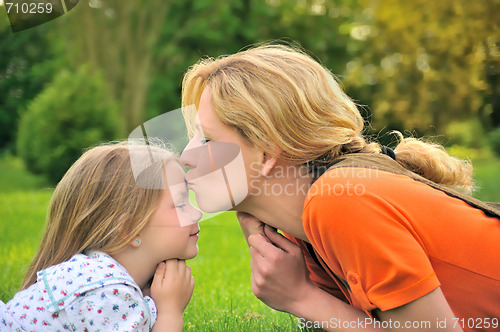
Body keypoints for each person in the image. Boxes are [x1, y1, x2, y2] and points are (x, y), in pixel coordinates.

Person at [179, 43, 500, 331]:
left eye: (207, 139)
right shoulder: (302, 232)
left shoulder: (340, 201)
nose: (185, 156)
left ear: (264, 153)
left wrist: (301, 297)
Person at [1, 142, 202, 331]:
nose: (198, 213)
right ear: (130, 229)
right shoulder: (109, 292)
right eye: (181, 203)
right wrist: (170, 312)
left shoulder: (101, 279)